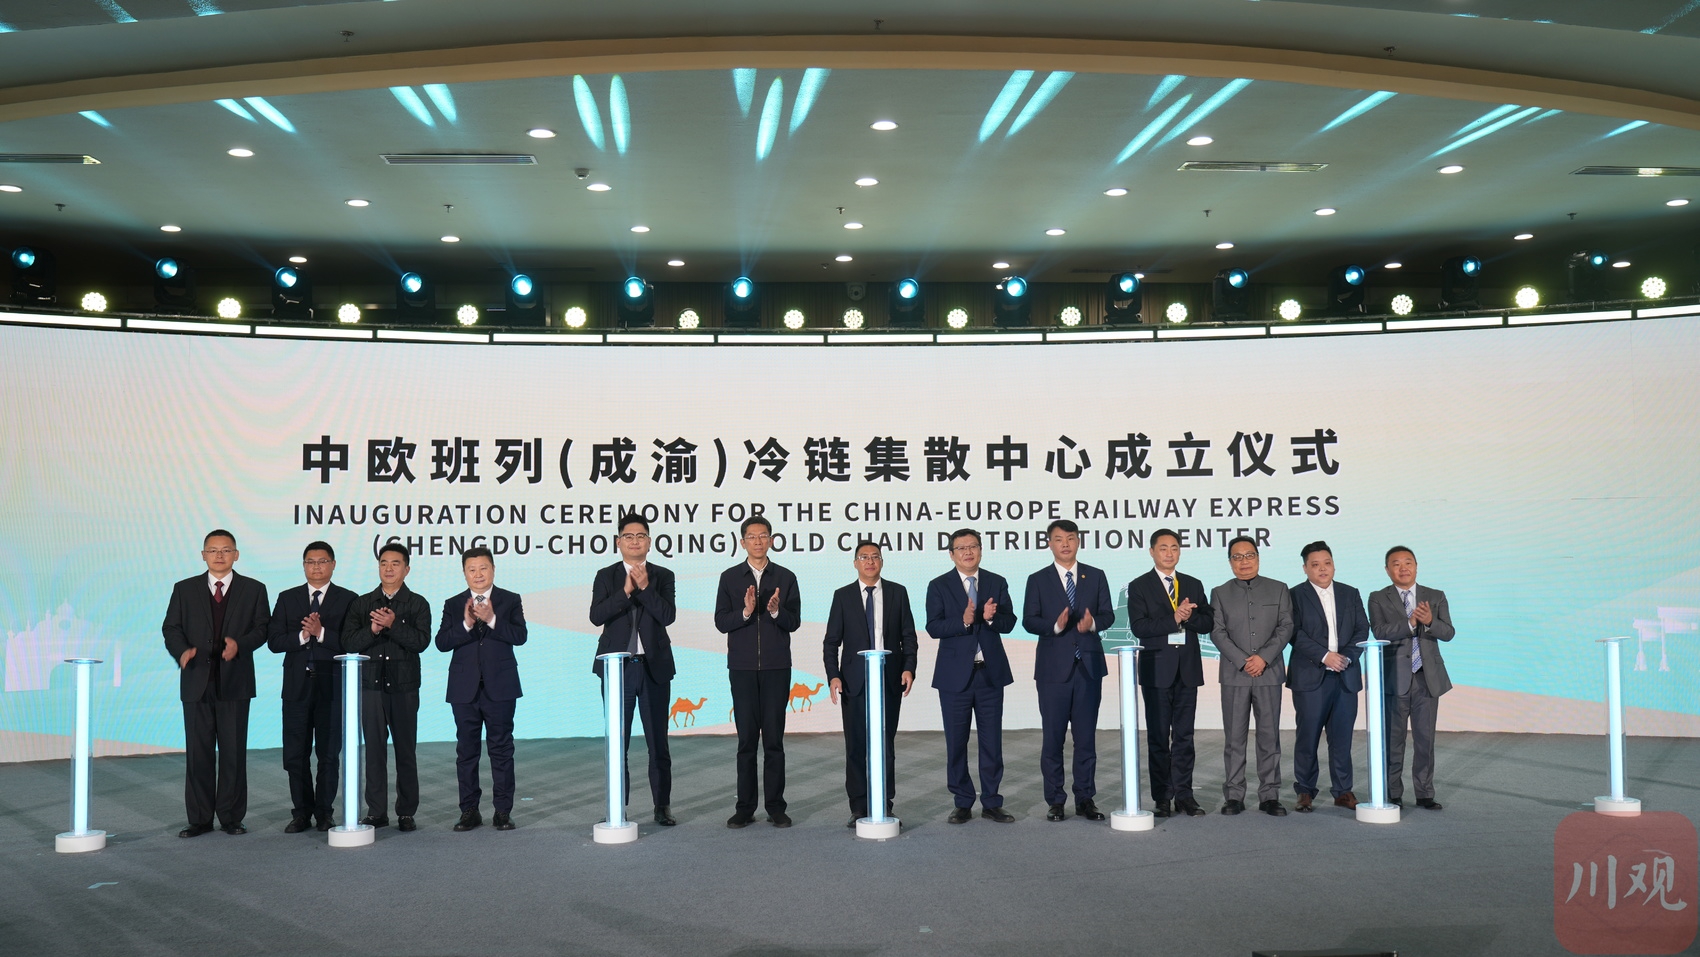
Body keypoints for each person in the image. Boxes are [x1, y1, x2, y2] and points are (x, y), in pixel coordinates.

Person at [161, 529, 271, 838]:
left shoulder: (254, 589)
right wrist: (182, 651)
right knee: (198, 754)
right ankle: (199, 819)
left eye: (225, 550)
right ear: (203, 555)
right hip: (196, 680)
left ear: (236, 555)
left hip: (235, 682)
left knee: (233, 753)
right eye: (213, 550)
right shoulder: (184, 589)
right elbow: (171, 628)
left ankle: (232, 817)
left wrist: (241, 645)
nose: (219, 555)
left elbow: (263, 628)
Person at [588, 513, 679, 826]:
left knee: (658, 743)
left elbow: (667, 616)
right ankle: (618, 807)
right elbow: (596, 616)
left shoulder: (663, 575)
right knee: (618, 743)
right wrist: (626, 591)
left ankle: (662, 806)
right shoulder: (606, 576)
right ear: (619, 542)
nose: (635, 541)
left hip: (654, 669)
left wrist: (645, 589)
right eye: (629, 536)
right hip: (618, 670)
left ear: (649, 542)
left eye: (641, 536)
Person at [1022, 519, 1115, 823]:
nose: (1065, 544)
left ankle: (1085, 798)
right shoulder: (1038, 579)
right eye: (1059, 539)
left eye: (1071, 538)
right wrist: (1055, 626)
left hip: (1088, 667)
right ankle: (1056, 800)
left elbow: (1108, 614)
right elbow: (1029, 620)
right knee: (1053, 739)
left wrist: (1093, 623)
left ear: (1078, 541)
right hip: (1053, 671)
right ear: (1049, 543)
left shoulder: (1096, 575)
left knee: (1086, 739)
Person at [713, 515, 802, 829]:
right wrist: (746, 611)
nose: (758, 541)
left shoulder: (786, 577)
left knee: (774, 741)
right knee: (747, 741)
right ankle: (745, 807)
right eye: (751, 536)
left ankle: (776, 807)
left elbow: (794, 622)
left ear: (772, 540)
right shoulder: (729, 578)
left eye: (763, 536)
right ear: (742, 542)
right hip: (742, 668)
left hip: (777, 667)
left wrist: (776, 611)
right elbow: (721, 622)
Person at [924, 528, 1017, 824]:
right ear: (951, 554)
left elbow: (1009, 622)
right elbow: (933, 627)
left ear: (980, 550)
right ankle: (962, 801)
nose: (968, 552)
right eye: (961, 548)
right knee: (956, 742)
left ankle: (992, 801)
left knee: (992, 741)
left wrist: (990, 618)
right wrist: (963, 621)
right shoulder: (939, 585)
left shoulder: (996, 581)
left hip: (989, 675)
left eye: (973, 546)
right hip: (954, 677)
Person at [824, 541, 918, 827]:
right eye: (863, 557)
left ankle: (884, 804)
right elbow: (831, 642)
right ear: (855, 563)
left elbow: (908, 637)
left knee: (885, 746)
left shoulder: (898, 593)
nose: (869, 561)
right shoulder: (842, 596)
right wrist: (833, 675)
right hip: (853, 683)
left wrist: (909, 668)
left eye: (875, 556)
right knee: (856, 747)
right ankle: (858, 806)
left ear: (882, 561)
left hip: (889, 681)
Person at [266, 541, 356, 833]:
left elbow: (353, 642)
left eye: (322, 561)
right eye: (310, 561)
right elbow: (274, 641)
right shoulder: (287, 598)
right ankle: (301, 813)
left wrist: (322, 632)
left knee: (329, 755)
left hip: (332, 688)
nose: (316, 566)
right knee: (295, 755)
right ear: (304, 565)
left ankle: (325, 813)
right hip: (296, 688)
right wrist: (303, 636)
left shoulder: (348, 599)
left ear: (333, 564)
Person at [435, 546, 528, 832]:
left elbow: (520, 636)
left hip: (501, 687)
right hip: (464, 689)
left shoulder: (510, 600)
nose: (478, 574)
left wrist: (491, 619)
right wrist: (466, 624)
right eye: (472, 569)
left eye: (483, 568)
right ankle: (469, 811)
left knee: (501, 750)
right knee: (466, 752)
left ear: (493, 569)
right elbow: (441, 642)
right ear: (464, 573)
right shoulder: (453, 604)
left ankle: (502, 811)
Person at [1125, 528, 1216, 818]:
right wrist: (1173, 618)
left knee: (1185, 736)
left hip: (1187, 669)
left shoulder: (1192, 583)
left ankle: (1185, 795)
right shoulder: (1139, 586)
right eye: (1163, 548)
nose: (1169, 553)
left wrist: (1188, 618)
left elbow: (1208, 622)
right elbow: (1139, 627)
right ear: (1152, 551)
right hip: (1156, 670)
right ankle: (1162, 796)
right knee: (1158, 737)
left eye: (1174, 547)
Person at [342, 542, 432, 831]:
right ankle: (377, 811)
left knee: (405, 751)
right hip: (371, 687)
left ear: (407, 569)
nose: (389, 568)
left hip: (404, 687)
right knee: (374, 751)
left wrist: (394, 625)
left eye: (395, 563)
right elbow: (348, 642)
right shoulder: (362, 604)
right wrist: (372, 630)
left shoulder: (417, 604)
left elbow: (421, 642)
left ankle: (406, 812)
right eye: (383, 563)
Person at [1208, 536, 1294, 817]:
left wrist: (1263, 658)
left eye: (1249, 555)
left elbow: (1285, 626)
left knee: (1269, 737)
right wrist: (1243, 661)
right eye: (1237, 557)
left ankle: (1269, 795)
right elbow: (1217, 631)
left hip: (1268, 672)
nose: (1244, 561)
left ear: (1258, 557)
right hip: (1235, 675)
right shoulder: (1220, 593)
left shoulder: (1279, 589)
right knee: (1234, 738)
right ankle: (1234, 795)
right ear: (1230, 562)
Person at [1368, 546, 1455, 811]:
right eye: (1396, 564)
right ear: (1387, 570)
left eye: (1408, 562)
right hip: (1395, 678)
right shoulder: (1377, 598)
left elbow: (1448, 633)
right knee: (1393, 740)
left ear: (1416, 566)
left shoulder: (1435, 596)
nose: (1403, 568)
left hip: (1427, 678)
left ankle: (1425, 792)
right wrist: (1410, 624)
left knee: (1425, 740)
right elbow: (1379, 631)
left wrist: (1429, 621)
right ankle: (1393, 792)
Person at [1287, 540, 1368, 812]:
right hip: (1310, 676)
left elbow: (1362, 629)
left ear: (1333, 565)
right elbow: (1294, 633)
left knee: (1342, 738)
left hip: (1345, 675)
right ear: (1305, 568)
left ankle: (1343, 791)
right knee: (1307, 736)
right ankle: (1305, 791)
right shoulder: (1294, 595)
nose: (1322, 569)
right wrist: (1325, 656)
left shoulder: (1350, 593)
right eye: (1315, 564)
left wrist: (1345, 657)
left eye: (1327, 563)